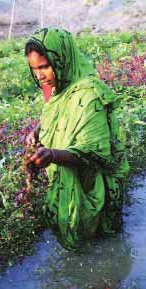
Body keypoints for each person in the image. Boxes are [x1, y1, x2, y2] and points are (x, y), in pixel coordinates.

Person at [25, 27, 129, 248]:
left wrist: (52, 154)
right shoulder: (59, 87)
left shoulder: (89, 95)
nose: (40, 75)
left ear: (62, 59)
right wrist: (36, 131)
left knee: (103, 245)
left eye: (44, 67)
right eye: (34, 69)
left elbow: (95, 151)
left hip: (95, 186)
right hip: (70, 179)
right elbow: (57, 114)